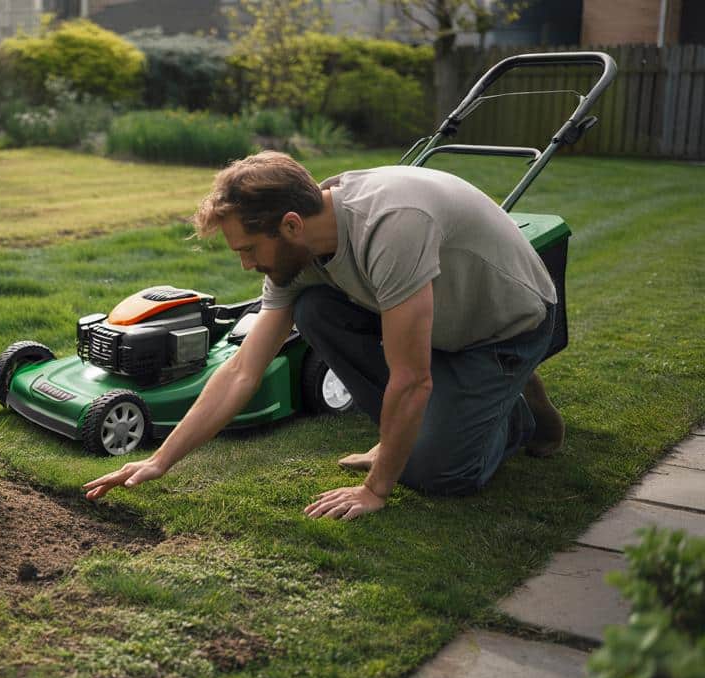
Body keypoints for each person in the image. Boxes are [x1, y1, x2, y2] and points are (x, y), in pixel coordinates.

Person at [82, 151, 566, 520]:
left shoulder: (391, 227)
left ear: (291, 225)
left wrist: (376, 489)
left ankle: (514, 415)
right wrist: (160, 460)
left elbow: (413, 380)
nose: (247, 265)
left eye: (249, 249)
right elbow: (243, 370)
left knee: (435, 474)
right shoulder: (299, 250)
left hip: (504, 328)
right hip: (441, 323)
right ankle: (471, 404)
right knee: (314, 310)